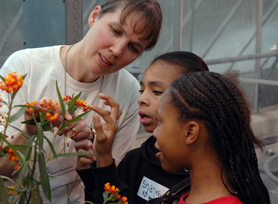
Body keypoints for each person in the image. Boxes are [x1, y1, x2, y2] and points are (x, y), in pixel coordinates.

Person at [0, 0, 162, 204]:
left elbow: (111, 187)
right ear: (94, 16)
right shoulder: (25, 66)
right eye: (116, 31)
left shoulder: (127, 90)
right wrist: (28, 131)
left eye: (133, 47)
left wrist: (96, 149)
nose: (118, 50)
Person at [87, 71, 271, 204]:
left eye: (161, 122)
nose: (156, 133)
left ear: (190, 133)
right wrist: (103, 155)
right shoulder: (179, 195)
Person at [75, 51, 209, 203]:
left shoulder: (202, 183)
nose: (141, 99)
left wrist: (105, 159)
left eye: (157, 92)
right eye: (141, 90)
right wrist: (93, 173)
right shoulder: (134, 161)